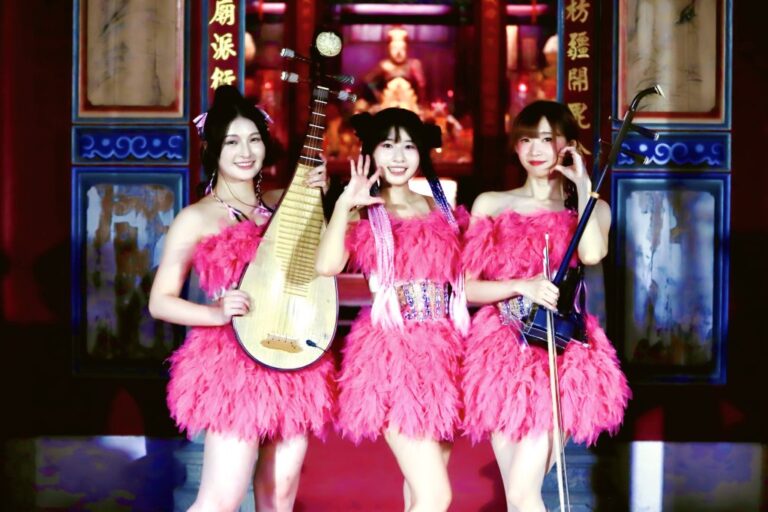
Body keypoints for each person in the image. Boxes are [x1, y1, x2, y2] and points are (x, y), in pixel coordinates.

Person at [148, 85, 335, 512]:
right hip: (232, 362)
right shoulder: (196, 217)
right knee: (222, 498)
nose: (245, 152)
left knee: (280, 494)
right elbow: (160, 302)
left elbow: (324, 266)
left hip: (293, 356)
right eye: (232, 142)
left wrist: (320, 195)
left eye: (253, 140)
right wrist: (215, 312)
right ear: (212, 149)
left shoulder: (281, 205)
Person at [461, 100, 630, 511]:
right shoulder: (491, 204)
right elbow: (467, 289)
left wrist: (584, 183)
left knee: (523, 493)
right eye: (526, 140)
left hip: (561, 353)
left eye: (547, 139)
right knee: (517, 497)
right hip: (500, 353)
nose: (536, 149)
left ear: (568, 145)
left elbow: (592, 254)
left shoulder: (593, 209)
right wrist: (522, 285)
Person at [315, 108, 468, 512]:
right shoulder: (365, 208)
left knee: (419, 491)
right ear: (371, 152)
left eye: (409, 146)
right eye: (387, 145)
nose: (399, 157)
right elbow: (327, 265)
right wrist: (344, 204)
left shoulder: (441, 208)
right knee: (437, 496)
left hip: (445, 353)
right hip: (392, 354)